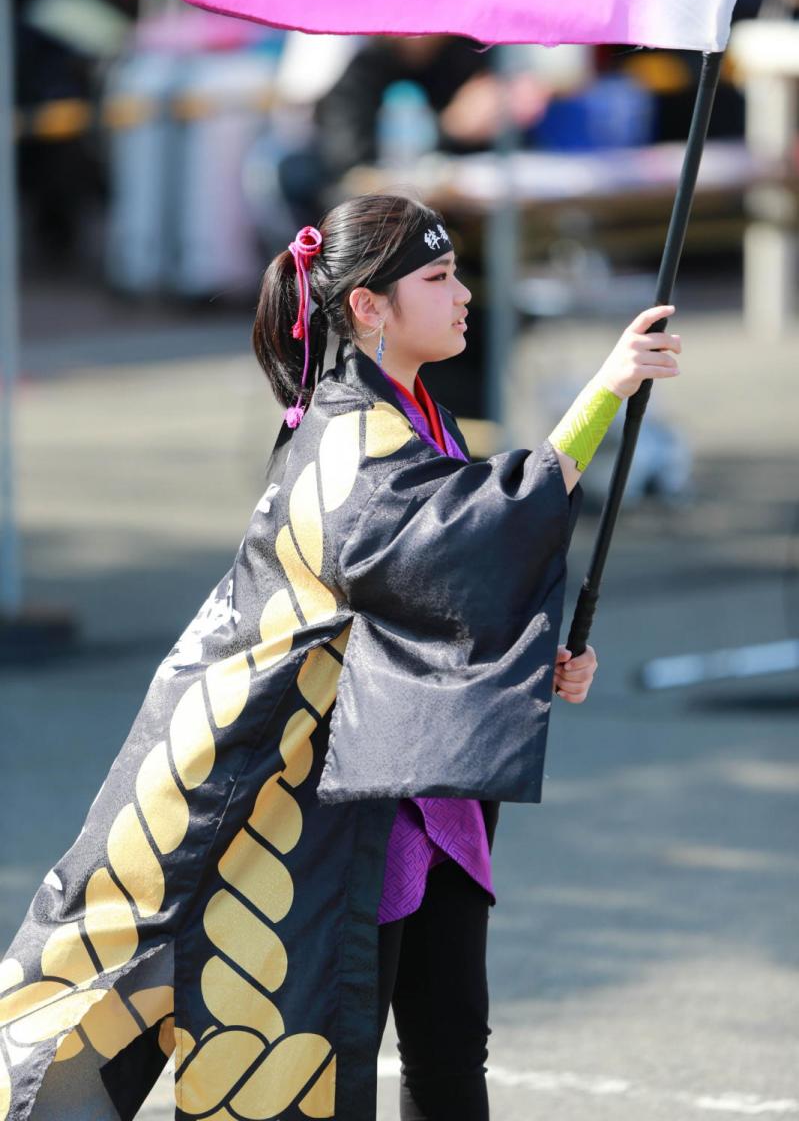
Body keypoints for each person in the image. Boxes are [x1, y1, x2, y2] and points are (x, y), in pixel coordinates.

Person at [0, 193, 681, 1121]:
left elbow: (437, 594)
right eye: (436, 280)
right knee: (328, 1051)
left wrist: (539, 662)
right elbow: (476, 533)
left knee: (450, 1051)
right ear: (368, 306)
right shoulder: (344, 435)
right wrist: (605, 392)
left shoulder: (414, 416)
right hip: (345, 812)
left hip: (425, 790)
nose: (462, 295)